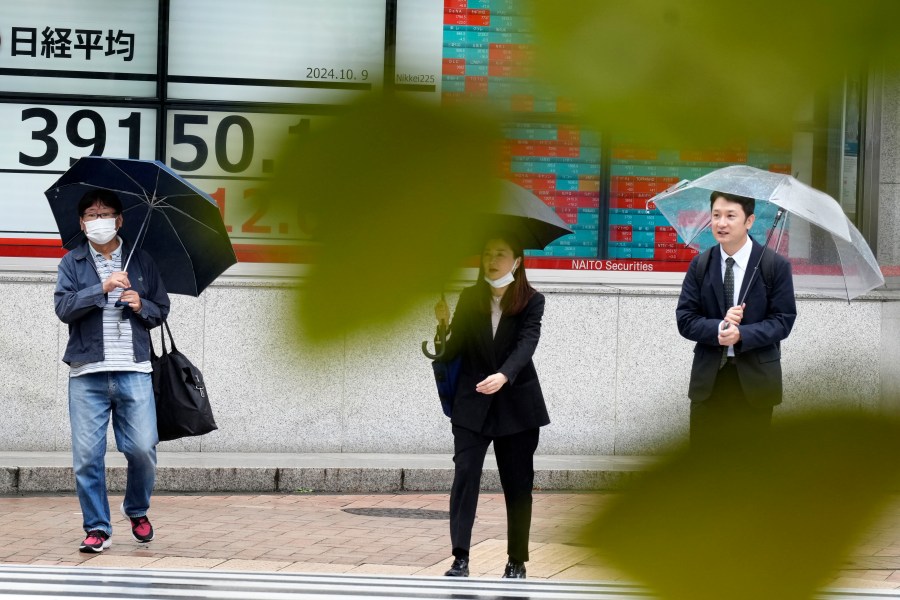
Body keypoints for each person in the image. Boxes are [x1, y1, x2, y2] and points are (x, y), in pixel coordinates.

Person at [54, 188, 170, 553]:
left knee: (141, 450)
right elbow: (64, 308)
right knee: (87, 456)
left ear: (119, 220)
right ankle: (97, 528)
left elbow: (161, 308)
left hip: (133, 370)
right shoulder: (72, 263)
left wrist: (141, 304)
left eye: (104, 213)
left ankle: (136, 509)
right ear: (81, 223)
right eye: (91, 214)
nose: (97, 219)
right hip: (87, 373)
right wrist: (101, 288)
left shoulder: (141, 261)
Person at [434, 233, 550, 579]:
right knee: (465, 475)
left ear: (517, 261)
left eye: (501, 253)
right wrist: (443, 326)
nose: (492, 259)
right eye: (487, 253)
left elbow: (528, 343)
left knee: (517, 483)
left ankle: (517, 560)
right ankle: (460, 557)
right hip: (472, 402)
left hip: (516, 404)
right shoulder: (471, 297)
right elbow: (455, 350)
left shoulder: (532, 300)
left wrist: (504, 375)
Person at [675, 191, 797, 449]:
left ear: (749, 221)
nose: (721, 223)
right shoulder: (700, 265)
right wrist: (718, 327)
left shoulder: (774, 266)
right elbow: (685, 319)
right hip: (710, 381)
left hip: (755, 383)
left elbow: (783, 321)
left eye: (731, 216)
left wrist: (743, 334)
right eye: (716, 215)